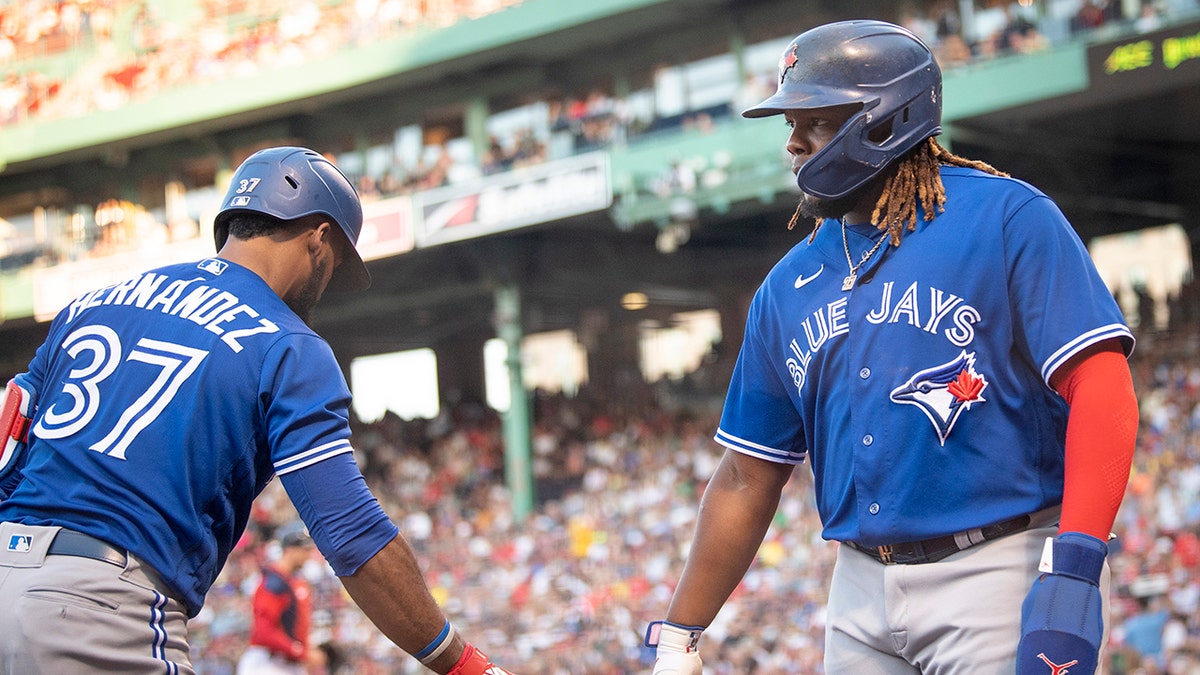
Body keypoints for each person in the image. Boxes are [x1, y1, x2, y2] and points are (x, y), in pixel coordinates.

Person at [644, 20, 1138, 675]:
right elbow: (745, 474)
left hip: (999, 568)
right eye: (789, 124)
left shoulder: (1006, 218)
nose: (792, 143)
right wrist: (680, 632)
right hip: (859, 589)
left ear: (884, 119)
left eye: (812, 122)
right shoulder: (787, 285)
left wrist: (1074, 566)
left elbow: (1101, 386)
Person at [0, 146, 513, 675]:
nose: (331, 277)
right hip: (98, 607)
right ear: (319, 235)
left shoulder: (93, 302)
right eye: (337, 258)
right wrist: (464, 664)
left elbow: (8, 449)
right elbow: (351, 533)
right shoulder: (288, 343)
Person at [237, 522, 319, 675]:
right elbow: (264, 632)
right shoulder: (273, 583)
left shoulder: (293, 581)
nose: (308, 556)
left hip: (289, 663)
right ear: (290, 550)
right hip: (267, 663)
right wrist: (301, 652)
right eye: (305, 550)